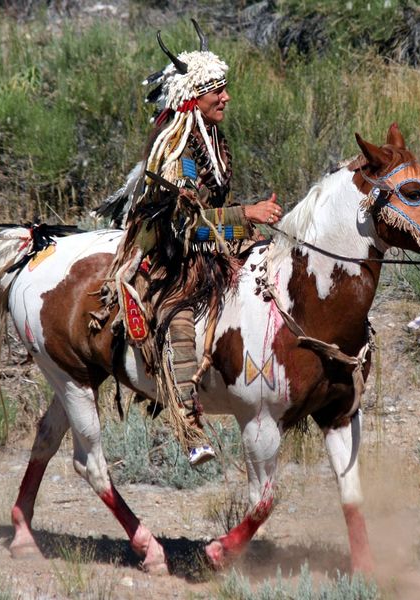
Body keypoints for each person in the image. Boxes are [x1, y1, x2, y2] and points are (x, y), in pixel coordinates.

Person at [101, 20, 283, 466]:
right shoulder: (178, 151)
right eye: (215, 90)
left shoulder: (214, 139)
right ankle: (188, 424)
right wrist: (246, 216)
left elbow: (210, 212)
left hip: (207, 246)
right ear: (191, 98)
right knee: (179, 319)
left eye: (224, 88)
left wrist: (248, 227)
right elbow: (185, 227)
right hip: (170, 255)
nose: (226, 97)